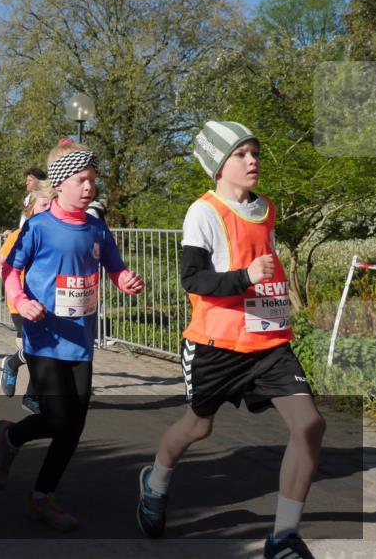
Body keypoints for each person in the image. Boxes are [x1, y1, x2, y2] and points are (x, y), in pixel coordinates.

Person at [135, 122, 325, 559]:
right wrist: (245, 278)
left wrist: (274, 296)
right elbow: (193, 278)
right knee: (197, 426)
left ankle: (282, 539)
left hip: (269, 343)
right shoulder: (203, 211)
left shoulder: (268, 209)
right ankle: (156, 481)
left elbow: (265, 263)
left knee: (310, 425)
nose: (252, 160)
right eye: (240, 154)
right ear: (219, 166)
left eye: (254, 152)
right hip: (216, 345)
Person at [0, 139, 144, 530]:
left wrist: (124, 279)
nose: (89, 188)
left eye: (92, 180)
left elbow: (114, 265)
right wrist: (20, 301)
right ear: (59, 184)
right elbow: (8, 268)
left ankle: (42, 498)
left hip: (80, 340)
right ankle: (11, 438)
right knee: (56, 416)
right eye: (80, 180)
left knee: (74, 425)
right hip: (42, 335)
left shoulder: (96, 227)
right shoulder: (38, 226)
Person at [0, 180, 55, 414]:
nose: (48, 209)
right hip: (20, 302)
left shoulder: (55, 237)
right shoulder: (21, 234)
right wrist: (17, 286)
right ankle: (31, 395)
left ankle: (13, 363)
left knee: (42, 349)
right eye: (43, 205)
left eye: (52, 205)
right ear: (32, 210)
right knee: (39, 350)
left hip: (46, 301)